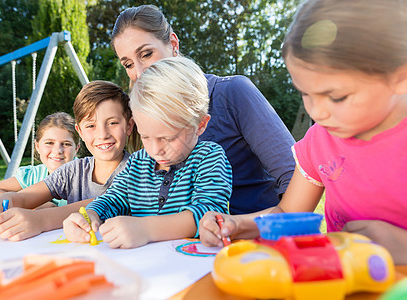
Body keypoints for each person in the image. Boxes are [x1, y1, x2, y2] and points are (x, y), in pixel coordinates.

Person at [199, 0, 407, 265]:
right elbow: (287, 213)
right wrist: (236, 225)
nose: (317, 112)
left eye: (336, 96)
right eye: (305, 93)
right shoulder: (319, 142)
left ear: (400, 75)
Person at [110, 5, 295, 215]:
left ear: (173, 44)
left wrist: (254, 228)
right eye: (128, 64)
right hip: (183, 243)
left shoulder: (232, 92)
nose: (140, 73)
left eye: (146, 54)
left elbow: (296, 177)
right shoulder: (143, 112)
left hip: (252, 235)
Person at [63, 56, 232, 249]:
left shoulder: (209, 157)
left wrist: (146, 229)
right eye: (145, 137)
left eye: (167, 138)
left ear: (200, 125)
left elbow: (208, 214)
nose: (155, 149)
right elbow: (111, 199)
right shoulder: (137, 162)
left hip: (191, 269)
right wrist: (89, 216)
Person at [0, 81, 137, 241]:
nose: (103, 134)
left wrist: (40, 219)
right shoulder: (73, 170)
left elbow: (104, 201)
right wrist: (1, 201)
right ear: (80, 131)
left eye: (113, 123)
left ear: (129, 126)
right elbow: (24, 197)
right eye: (91, 125)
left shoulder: (139, 170)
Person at [0, 112, 80, 207]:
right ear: (37, 146)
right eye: (49, 143)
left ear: (76, 148)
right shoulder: (33, 175)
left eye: (66, 144)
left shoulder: (85, 176)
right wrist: (31, 202)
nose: (57, 151)